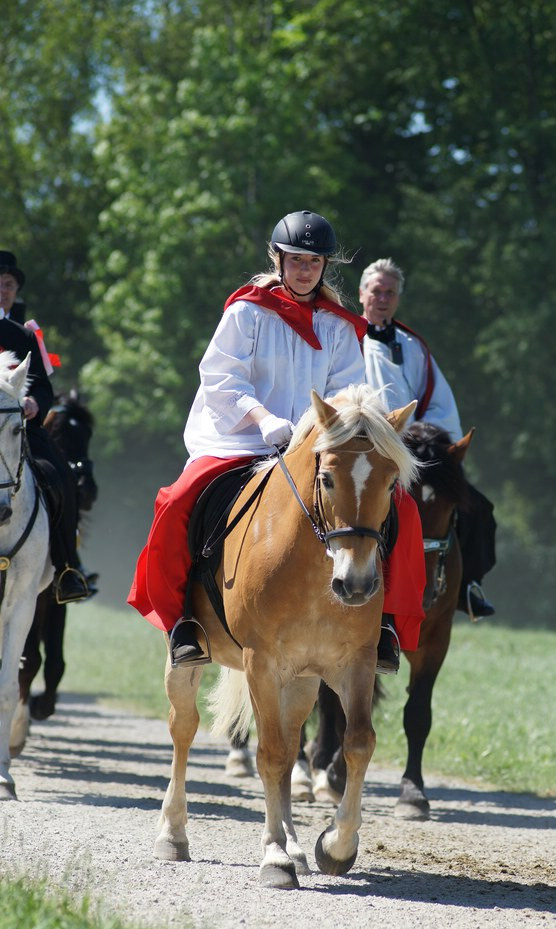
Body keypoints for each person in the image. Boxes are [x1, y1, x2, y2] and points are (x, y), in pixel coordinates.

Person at [128, 211, 426, 671]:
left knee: (400, 505)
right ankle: (182, 621)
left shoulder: (341, 326)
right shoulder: (246, 312)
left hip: (317, 446)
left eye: (314, 261)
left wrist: (331, 431)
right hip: (240, 440)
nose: (305, 269)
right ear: (278, 259)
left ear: (325, 266)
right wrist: (263, 418)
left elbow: (350, 392)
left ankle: (384, 623)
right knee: (177, 499)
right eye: (296, 259)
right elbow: (220, 378)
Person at [358, 257, 496, 619]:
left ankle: (468, 585)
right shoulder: (343, 338)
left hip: (414, 454)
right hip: (364, 452)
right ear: (361, 294)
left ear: (398, 298)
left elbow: (439, 404)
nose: (383, 298)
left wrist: (420, 438)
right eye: (377, 291)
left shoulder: (413, 346)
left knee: (478, 507)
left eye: (390, 292)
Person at [0, 250, 91, 602]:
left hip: (19, 430)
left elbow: (42, 386)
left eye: (8, 284)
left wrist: (35, 403)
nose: (3, 290)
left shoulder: (23, 335)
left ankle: (67, 569)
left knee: (60, 474)